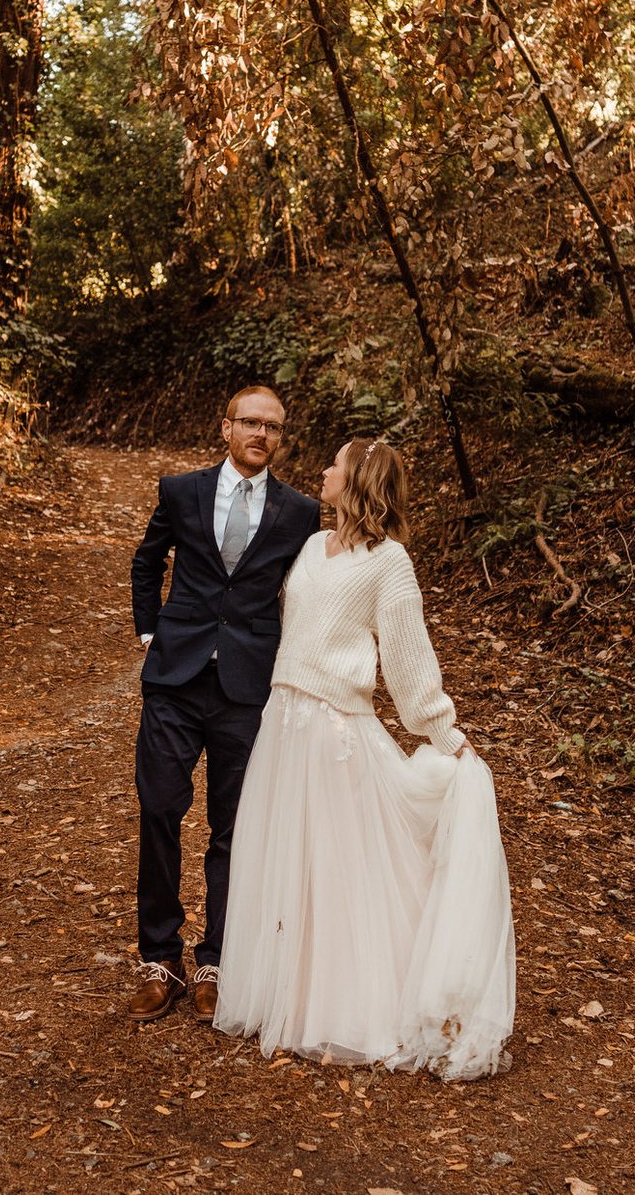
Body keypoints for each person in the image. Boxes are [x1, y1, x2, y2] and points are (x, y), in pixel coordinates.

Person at [213, 437, 516, 1081]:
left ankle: (353, 1010)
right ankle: (292, 1001)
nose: (323, 471)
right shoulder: (308, 548)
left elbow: (408, 657)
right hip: (284, 721)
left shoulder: (390, 562)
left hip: (334, 728)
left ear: (358, 481)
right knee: (287, 858)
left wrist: (441, 728)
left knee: (340, 866)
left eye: (335, 465)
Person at [125, 385, 323, 1022]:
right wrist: (153, 631)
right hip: (175, 680)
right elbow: (147, 560)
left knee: (233, 829)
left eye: (273, 428)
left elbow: (309, 590)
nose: (261, 435)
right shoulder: (180, 491)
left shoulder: (300, 512)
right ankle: (159, 959)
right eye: (250, 423)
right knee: (159, 809)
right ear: (226, 428)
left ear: (281, 439)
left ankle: (216, 963)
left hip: (247, 687)